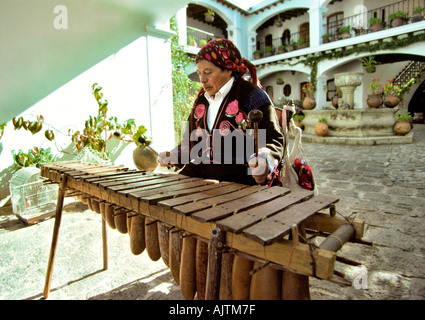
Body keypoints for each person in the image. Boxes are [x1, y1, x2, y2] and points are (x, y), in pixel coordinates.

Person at [159, 39, 284, 186]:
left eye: (208, 72)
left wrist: (264, 159)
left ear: (228, 68)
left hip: (241, 181)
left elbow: (274, 139)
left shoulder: (252, 96)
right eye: (199, 73)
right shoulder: (201, 101)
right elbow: (189, 143)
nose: (202, 80)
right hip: (202, 177)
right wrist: (174, 154)